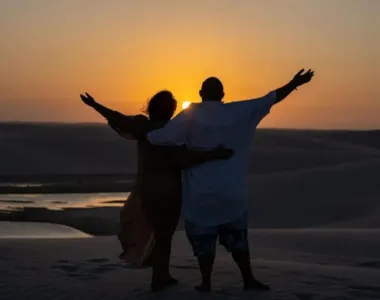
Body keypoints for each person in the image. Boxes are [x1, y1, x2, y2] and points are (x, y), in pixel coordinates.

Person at [146, 69, 315, 292]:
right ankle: (248, 279)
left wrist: (166, 137)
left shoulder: (190, 116)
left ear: (200, 93)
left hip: (200, 198)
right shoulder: (240, 111)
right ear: (223, 94)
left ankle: (206, 282)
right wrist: (294, 83)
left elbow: (156, 137)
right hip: (231, 196)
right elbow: (271, 98)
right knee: (239, 242)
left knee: (204, 244)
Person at [80, 90, 234, 292]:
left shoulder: (143, 126)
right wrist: (215, 154)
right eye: (171, 105)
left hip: (148, 189)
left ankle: (162, 274)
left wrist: (95, 105)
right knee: (163, 235)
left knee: (161, 235)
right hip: (167, 192)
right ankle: (159, 277)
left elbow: (117, 118)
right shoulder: (170, 131)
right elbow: (184, 158)